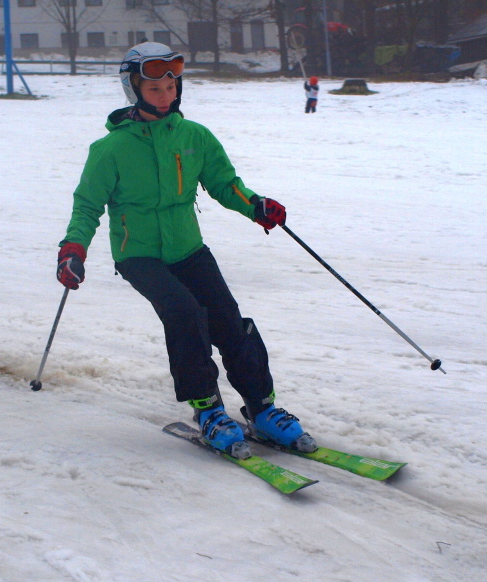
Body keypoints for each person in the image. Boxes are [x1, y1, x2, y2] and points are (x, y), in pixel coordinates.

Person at [56, 42, 317, 459]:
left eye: (171, 86)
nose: (165, 96)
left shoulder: (195, 136)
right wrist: (74, 248)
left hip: (188, 248)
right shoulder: (110, 150)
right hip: (138, 254)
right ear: (134, 90)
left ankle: (262, 409)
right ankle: (208, 410)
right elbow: (87, 206)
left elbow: (224, 183)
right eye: (154, 88)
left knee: (228, 321)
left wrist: (255, 205)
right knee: (184, 313)